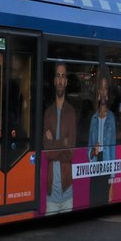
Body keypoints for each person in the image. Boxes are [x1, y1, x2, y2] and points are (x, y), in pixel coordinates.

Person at [42, 62, 77, 215]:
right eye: (58, 76)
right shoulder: (48, 113)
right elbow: (47, 153)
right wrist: (63, 142)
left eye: (63, 76)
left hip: (67, 191)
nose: (61, 80)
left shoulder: (71, 113)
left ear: (66, 82)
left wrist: (55, 144)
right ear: (54, 81)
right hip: (51, 195)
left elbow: (71, 153)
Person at [88, 68, 116, 205]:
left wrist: (112, 181)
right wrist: (93, 151)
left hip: (106, 166)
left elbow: (113, 151)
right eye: (101, 88)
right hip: (94, 167)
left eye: (106, 88)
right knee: (93, 202)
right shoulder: (93, 118)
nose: (103, 92)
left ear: (107, 93)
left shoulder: (112, 118)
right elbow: (89, 149)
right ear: (98, 92)